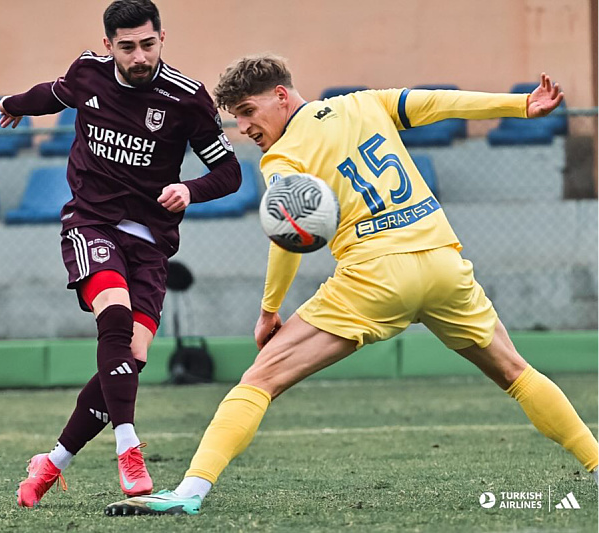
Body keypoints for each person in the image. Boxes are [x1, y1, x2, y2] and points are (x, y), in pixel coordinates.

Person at [104, 55, 599, 516]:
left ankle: (189, 493)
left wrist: (269, 310)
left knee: (259, 380)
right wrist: (518, 106)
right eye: (236, 118)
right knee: (516, 372)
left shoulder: (281, 159)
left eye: (249, 111)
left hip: (374, 277)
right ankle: (597, 463)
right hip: (442, 262)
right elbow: (437, 104)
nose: (246, 128)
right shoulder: (363, 102)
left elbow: (287, 236)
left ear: (281, 95)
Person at [0, 0, 241, 508]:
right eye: (127, 46)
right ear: (109, 45)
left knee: (129, 359)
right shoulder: (89, 73)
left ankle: (52, 463)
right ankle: (128, 446)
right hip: (91, 222)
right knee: (115, 316)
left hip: (151, 242)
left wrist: (190, 190)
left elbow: (229, 172)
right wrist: (15, 103)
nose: (138, 55)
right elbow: (53, 94)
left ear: (162, 38)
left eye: (147, 44)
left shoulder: (187, 98)